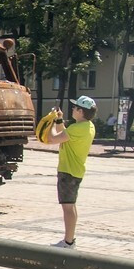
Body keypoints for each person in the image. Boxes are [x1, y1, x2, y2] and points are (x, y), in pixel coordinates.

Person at [42, 96, 97, 248]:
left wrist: (50, 122)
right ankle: (70, 239)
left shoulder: (77, 128)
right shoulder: (88, 126)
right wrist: (59, 119)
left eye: (75, 107)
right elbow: (65, 135)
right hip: (76, 171)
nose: (72, 109)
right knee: (71, 206)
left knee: (67, 208)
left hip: (68, 171)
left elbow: (52, 139)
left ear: (81, 111)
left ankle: (68, 242)